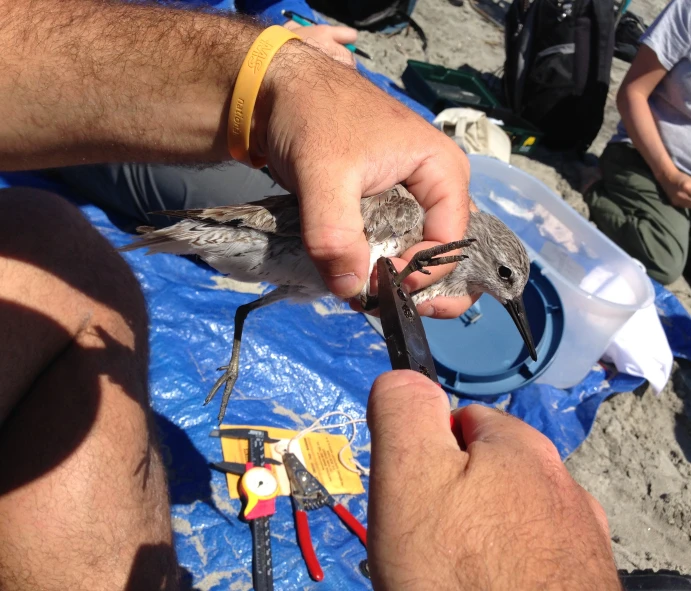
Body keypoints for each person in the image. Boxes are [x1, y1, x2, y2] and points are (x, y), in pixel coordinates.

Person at [0, 1, 620, 589]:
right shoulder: (413, 221)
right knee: (88, 258)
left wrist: (279, 69)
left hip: (255, 238)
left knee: (72, 253)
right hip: (267, 234)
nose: (509, 302)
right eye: (509, 287)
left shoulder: (445, 255)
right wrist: (276, 77)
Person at [586, 0, 691, 285]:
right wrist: (668, 176)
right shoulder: (687, 10)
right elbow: (632, 94)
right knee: (663, 259)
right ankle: (592, 189)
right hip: (645, 158)